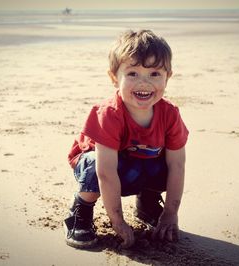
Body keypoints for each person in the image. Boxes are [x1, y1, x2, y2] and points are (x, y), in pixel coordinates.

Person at [64, 29, 188, 249]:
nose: (144, 83)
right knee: (93, 165)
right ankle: (80, 210)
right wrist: (117, 221)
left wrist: (171, 214)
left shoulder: (170, 114)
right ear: (114, 77)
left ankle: (147, 203)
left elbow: (177, 165)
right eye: (132, 74)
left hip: (138, 165)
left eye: (154, 74)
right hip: (104, 167)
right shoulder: (108, 114)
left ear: (167, 77)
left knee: (167, 164)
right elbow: (106, 173)